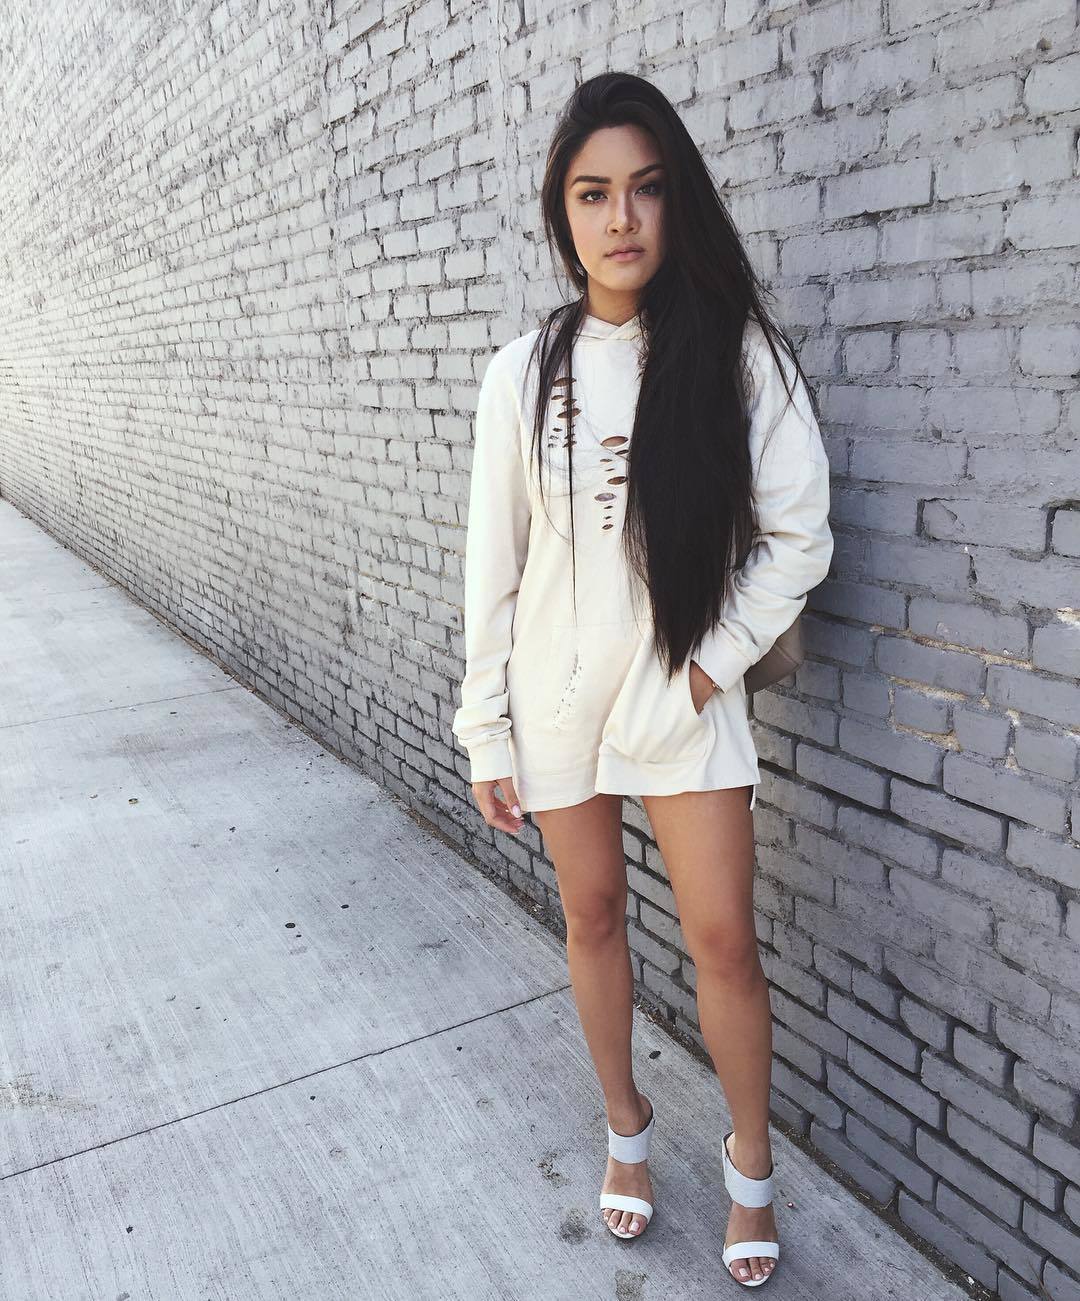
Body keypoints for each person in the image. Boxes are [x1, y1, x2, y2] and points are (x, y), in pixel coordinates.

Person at [451, 71, 834, 1288]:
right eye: (593, 192)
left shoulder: (738, 353)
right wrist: (487, 727)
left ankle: (750, 1159)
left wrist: (707, 672)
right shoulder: (521, 373)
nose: (621, 217)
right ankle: (626, 1128)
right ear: (561, 211)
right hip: (556, 699)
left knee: (723, 940)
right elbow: (494, 569)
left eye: (647, 188)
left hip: (685, 699)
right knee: (595, 915)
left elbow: (801, 539)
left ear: (678, 202)